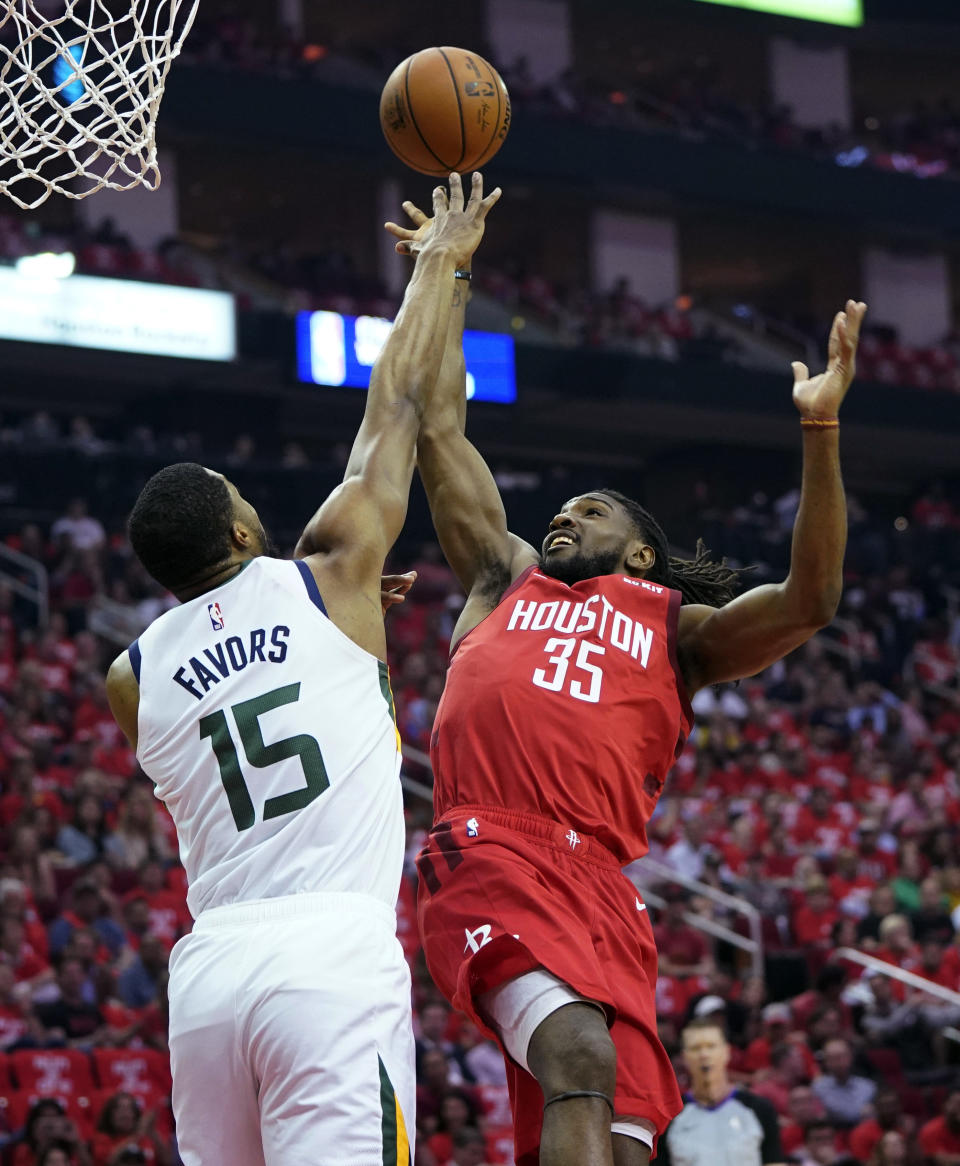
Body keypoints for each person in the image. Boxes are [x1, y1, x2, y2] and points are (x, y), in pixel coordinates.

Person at [386, 197, 866, 1166]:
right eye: (561, 508)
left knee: (629, 1133)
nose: (564, 517)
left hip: (603, 886)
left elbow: (810, 598)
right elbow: (438, 426)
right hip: (493, 847)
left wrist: (819, 429)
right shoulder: (503, 574)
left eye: (590, 510)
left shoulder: (674, 629)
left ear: (640, 549)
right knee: (577, 1053)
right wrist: (448, 269)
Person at [105, 173, 501, 1166]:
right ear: (244, 526)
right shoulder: (333, 570)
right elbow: (401, 398)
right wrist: (439, 263)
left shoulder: (129, 672)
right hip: (329, 957)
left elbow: (232, 668)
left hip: (208, 979)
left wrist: (345, 618)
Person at [656, 1018, 784, 1166]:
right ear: (685, 1058)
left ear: (726, 1052)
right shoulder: (670, 1117)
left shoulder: (760, 1109)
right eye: (696, 1048)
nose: (704, 1054)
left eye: (711, 1046)